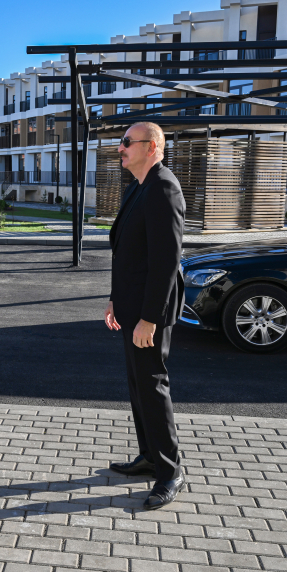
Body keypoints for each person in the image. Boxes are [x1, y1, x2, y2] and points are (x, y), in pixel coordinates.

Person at [104, 121, 186, 510]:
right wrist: (114, 300)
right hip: (131, 306)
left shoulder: (163, 187)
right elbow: (128, 253)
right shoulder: (139, 186)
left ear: (151, 147)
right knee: (138, 384)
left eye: (126, 142)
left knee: (152, 386)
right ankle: (150, 456)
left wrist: (149, 319)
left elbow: (166, 262)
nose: (119, 148)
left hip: (150, 311)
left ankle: (170, 471)